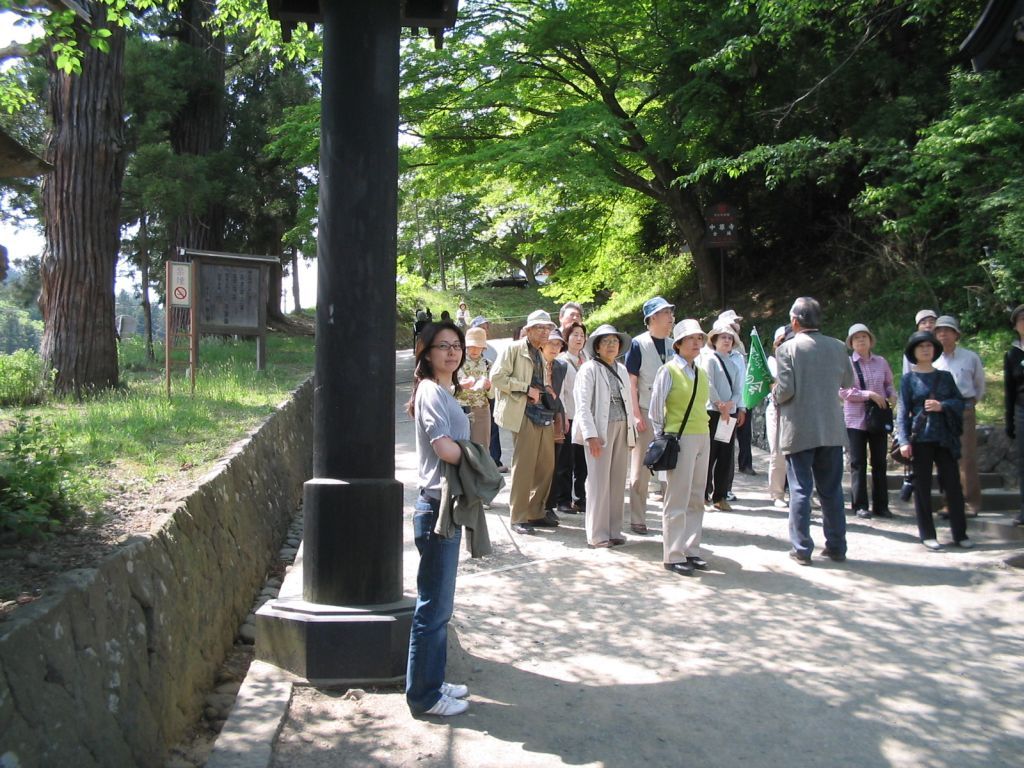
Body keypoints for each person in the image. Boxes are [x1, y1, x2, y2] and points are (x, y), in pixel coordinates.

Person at [405, 321, 472, 717]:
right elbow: (444, 448)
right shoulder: (430, 390)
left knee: (440, 606)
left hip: (445, 505)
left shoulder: (444, 390)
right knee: (432, 607)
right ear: (427, 354)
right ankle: (424, 696)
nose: (452, 352)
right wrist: (478, 459)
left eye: (456, 345)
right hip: (436, 507)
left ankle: (432, 680)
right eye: (443, 346)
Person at [775, 297, 853, 565]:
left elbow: (786, 390)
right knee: (831, 490)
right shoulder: (838, 346)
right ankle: (837, 546)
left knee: (800, 489)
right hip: (831, 428)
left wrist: (774, 393)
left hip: (799, 428)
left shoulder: (787, 348)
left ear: (794, 321)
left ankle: (801, 548)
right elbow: (848, 381)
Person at [897, 331, 971, 551]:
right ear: (913, 352)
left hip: (945, 438)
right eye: (920, 346)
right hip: (920, 438)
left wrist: (942, 406)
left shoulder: (945, 377)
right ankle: (927, 534)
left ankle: (960, 534)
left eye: (929, 346)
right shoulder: (908, 380)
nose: (925, 349)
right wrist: (904, 440)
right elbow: (902, 412)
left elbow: (960, 402)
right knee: (922, 488)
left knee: (953, 486)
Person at [649, 319, 711, 576]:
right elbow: (656, 408)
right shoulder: (668, 371)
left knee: (697, 496)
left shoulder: (701, 372)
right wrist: (662, 437)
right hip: (680, 437)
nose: (696, 343)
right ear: (678, 343)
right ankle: (673, 554)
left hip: (702, 435)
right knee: (677, 496)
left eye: (699, 338)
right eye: (691, 339)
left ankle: (691, 549)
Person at [491, 310, 559, 534]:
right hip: (523, 413)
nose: (545, 331)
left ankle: (535, 512)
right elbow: (497, 378)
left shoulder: (539, 353)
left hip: (542, 413)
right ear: (528, 330)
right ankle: (518, 516)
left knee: (546, 465)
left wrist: (546, 388)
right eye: (540, 327)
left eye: (548, 328)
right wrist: (525, 388)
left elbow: (538, 380)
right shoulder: (513, 349)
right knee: (524, 466)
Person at [573, 324, 635, 548]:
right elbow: (582, 405)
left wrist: (632, 433)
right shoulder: (589, 369)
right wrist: (590, 435)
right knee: (599, 482)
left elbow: (629, 402)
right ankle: (597, 534)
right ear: (597, 347)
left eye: (615, 341)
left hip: (622, 426)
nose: (611, 345)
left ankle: (614, 530)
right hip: (600, 429)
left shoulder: (622, 369)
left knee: (617, 481)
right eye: (606, 341)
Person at [625, 296, 675, 534]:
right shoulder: (638, 344)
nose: (671, 318)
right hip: (645, 410)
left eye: (671, 313)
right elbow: (631, 383)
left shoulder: (674, 344)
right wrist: (636, 414)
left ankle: (671, 518)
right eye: (666, 313)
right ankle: (637, 518)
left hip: (671, 414)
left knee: (670, 466)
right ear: (652, 318)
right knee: (641, 468)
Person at [838, 323, 895, 519]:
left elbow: (889, 384)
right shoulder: (847, 363)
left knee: (879, 462)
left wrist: (892, 395)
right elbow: (843, 391)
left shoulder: (881, 362)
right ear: (851, 343)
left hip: (877, 419)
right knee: (858, 463)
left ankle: (882, 505)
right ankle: (860, 505)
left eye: (864, 336)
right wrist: (869, 394)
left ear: (870, 340)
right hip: (855, 420)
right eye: (856, 338)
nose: (861, 340)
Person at [933, 315, 986, 516]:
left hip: (964, 409)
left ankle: (971, 503)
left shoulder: (970, 357)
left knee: (966, 457)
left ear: (956, 334)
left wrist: (969, 405)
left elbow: (979, 385)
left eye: (948, 330)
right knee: (944, 458)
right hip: (940, 411)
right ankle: (949, 503)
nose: (943, 334)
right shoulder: (933, 360)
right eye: (939, 331)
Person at [701, 321, 745, 511]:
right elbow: (708, 383)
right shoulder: (710, 359)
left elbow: (738, 389)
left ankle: (720, 495)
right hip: (713, 411)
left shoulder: (734, 364)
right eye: (723, 337)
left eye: (729, 338)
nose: (726, 341)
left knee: (725, 455)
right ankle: (703, 494)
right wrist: (720, 404)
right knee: (709, 453)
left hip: (729, 413)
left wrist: (731, 405)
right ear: (714, 340)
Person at [551, 322, 588, 513]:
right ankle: (563, 499)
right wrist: (563, 415)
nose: (579, 338)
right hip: (568, 416)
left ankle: (581, 498)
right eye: (575, 334)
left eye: (582, 335)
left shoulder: (587, 359)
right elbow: (560, 392)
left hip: (585, 416)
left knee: (583, 461)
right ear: (566, 338)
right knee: (566, 461)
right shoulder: (562, 361)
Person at [719, 310, 755, 477]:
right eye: (733, 323)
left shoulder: (739, 348)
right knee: (723, 440)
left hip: (741, 398)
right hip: (722, 403)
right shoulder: (711, 352)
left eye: (737, 323)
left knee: (745, 433)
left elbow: (742, 377)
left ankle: (745, 464)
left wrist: (742, 404)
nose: (736, 325)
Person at [540, 328, 571, 515]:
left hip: (555, 416)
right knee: (539, 464)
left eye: (558, 344)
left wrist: (563, 414)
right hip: (537, 416)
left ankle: (549, 505)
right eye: (551, 343)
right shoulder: (534, 363)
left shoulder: (561, 366)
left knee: (555, 462)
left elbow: (561, 394)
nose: (554, 347)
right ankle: (536, 505)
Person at [471, 316, 506, 472]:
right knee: (473, 431)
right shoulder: (463, 351)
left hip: (488, 394)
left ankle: (495, 461)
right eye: (480, 328)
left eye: (486, 328)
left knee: (492, 427)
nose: (484, 331)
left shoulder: (491, 350)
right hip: (469, 398)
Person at [765, 325, 789, 508]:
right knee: (778, 452)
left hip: (796, 410)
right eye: (781, 341)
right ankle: (777, 493)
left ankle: (801, 492)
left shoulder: (799, 359)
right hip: (776, 409)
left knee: (802, 453)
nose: (784, 345)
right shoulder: (771, 362)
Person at [1004, 304, 1024, 526]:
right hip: (1021, 409)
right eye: (1021, 320)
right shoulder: (1012, 354)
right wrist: (1009, 420)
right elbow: (1009, 389)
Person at [458, 327, 493, 449]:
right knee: (461, 448)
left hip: (481, 409)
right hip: (460, 408)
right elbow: (446, 387)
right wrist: (460, 385)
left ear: (483, 347)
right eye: (471, 346)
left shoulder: (488, 364)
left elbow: (493, 394)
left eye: (478, 346)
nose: (474, 350)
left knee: (481, 449)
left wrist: (489, 387)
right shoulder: (457, 362)